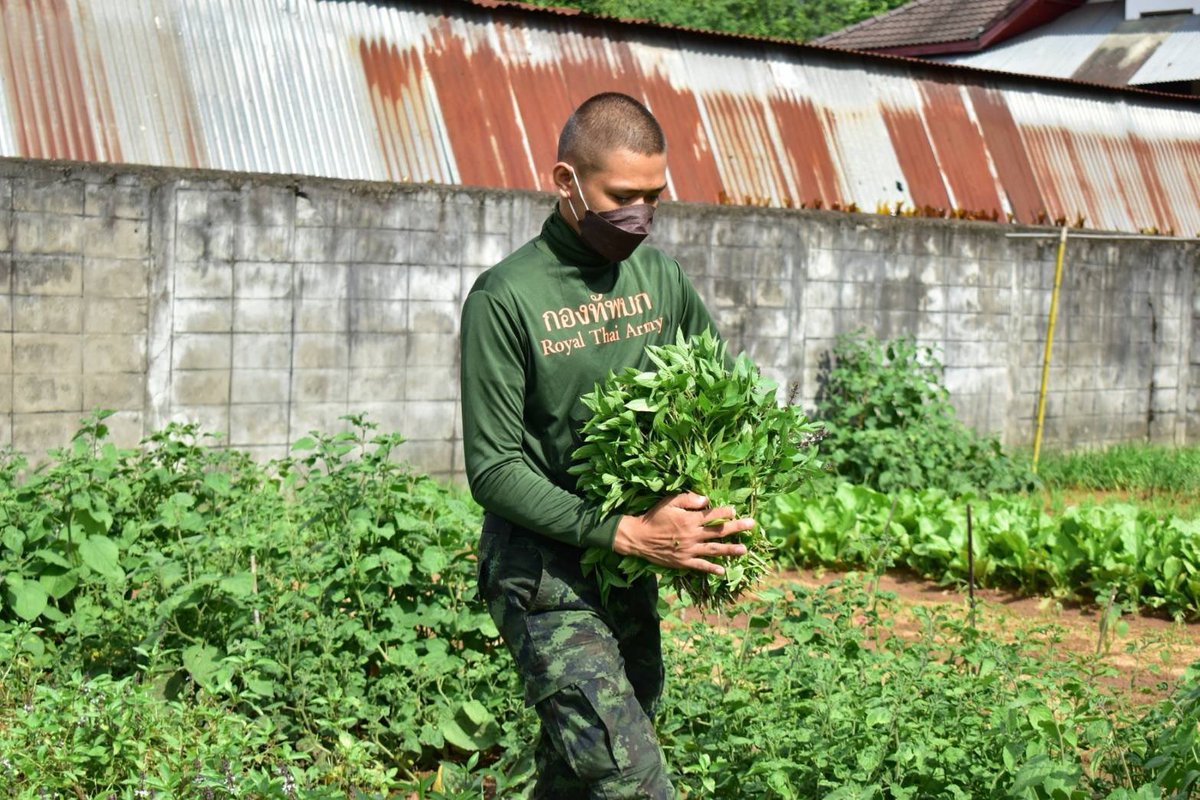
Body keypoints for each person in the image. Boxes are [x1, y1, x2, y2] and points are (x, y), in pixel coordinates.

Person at [459, 92, 755, 799]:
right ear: (567, 182)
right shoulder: (506, 298)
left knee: (581, 768)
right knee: (627, 778)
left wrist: (712, 494)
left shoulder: (659, 279)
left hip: (624, 572)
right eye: (623, 196)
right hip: (543, 572)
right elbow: (493, 470)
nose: (641, 216)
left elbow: (716, 394)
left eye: (655, 196)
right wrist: (625, 532)